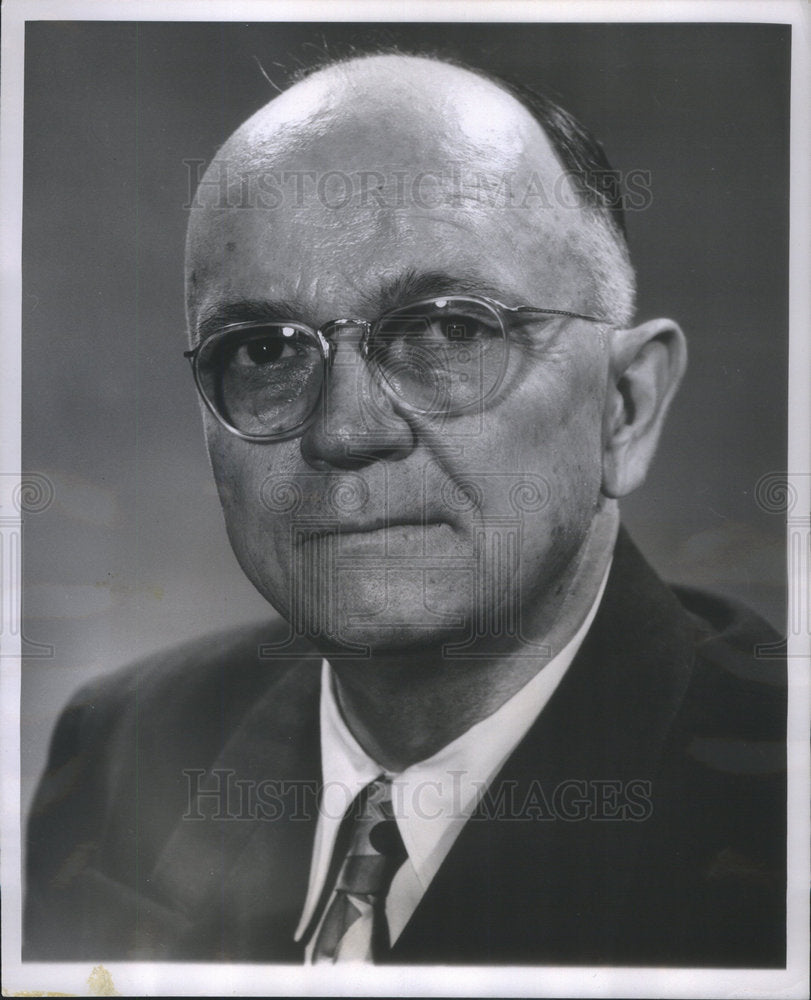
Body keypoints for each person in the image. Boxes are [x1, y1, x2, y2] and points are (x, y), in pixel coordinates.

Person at [25, 53, 786, 966]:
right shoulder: (119, 749)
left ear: (624, 407)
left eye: (449, 330)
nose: (345, 430)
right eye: (265, 351)